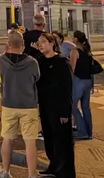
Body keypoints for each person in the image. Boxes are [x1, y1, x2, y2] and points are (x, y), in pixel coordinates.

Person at [0, 30, 40, 178]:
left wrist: (7, 49)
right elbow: (37, 78)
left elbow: (0, 72)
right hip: (29, 105)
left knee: (8, 139)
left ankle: (5, 171)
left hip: (9, 104)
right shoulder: (32, 62)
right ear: (23, 45)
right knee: (30, 141)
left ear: (8, 45)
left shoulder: (2, 60)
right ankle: (32, 174)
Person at [37, 33, 75, 178]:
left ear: (52, 43)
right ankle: (53, 165)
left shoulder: (62, 62)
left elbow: (67, 89)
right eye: (39, 42)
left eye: (43, 42)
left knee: (62, 141)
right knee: (49, 138)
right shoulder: (39, 61)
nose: (40, 45)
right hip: (45, 106)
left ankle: (64, 171)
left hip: (59, 109)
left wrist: (65, 113)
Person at [70, 30, 93, 140]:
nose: (71, 38)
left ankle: (82, 131)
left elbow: (72, 68)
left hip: (78, 81)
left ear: (76, 39)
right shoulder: (87, 51)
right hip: (88, 81)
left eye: (73, 37)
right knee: (86, 107)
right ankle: (89, 132)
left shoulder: (75, 51)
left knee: (72, 106)